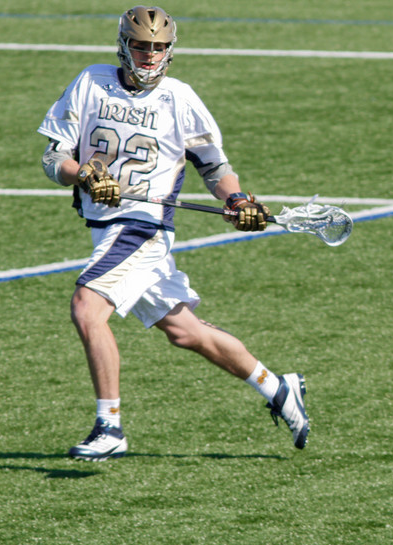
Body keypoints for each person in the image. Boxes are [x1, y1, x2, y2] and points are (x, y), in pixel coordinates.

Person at [37, 6, 309, 460]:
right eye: (142, 46)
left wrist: (237, 200)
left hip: (142, 228)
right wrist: (82, 173)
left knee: (87, 307)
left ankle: (110, 426)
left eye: (159, 47)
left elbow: (214, 166)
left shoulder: (178, 99)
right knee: (185, 331)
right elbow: (52, 159)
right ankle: (279, 388)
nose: (149, 56)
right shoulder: (90, 82)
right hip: (104, 228)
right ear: (124, 45)